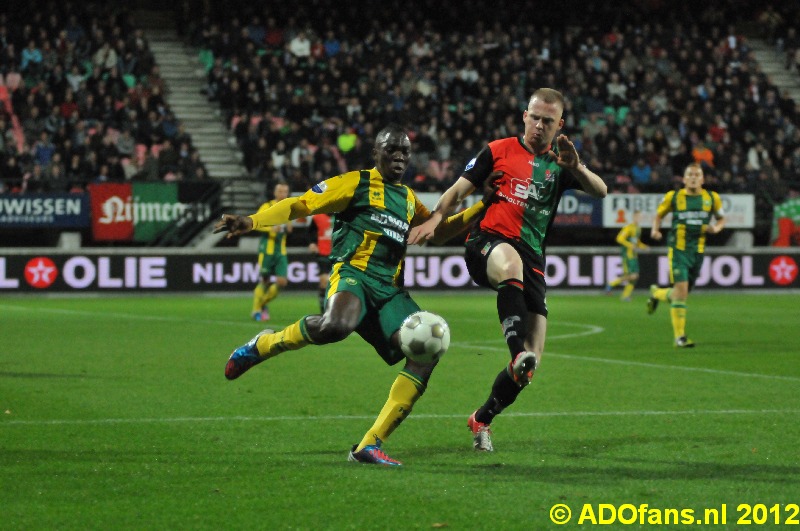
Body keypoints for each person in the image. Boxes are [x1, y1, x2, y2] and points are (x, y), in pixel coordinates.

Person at [214, 124, 487, 466]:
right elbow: (300, 205)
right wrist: (252, 221)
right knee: (335, 327)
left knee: (428, 351)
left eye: (405, 151)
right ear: (377, 153)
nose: (400, 156)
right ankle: (263, 345)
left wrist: (481, 207)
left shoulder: (407, 200)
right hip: (354, 274)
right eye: (392, 150)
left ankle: (369, 446)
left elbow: (440, 231)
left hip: (389, 290)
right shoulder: (356, 183)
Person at [408, 88, 607, 452]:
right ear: (524, 116)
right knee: (511, 276)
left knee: (531, 366)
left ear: (559, 125)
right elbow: (457, 190)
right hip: (487, 242)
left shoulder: (561, 164)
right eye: (535, 117)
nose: (539, 125)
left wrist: (576, 167)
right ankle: (516, 351)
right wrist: (436, 218)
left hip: (532, 260)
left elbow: (602, 192)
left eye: (548, 121)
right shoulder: (497, 150)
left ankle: (482, 419)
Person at [646, 163, 726, 348]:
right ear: (683, 178)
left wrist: (716, 228)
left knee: (680, 294)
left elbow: (721, 218)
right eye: (689, 174)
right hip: (678, 250)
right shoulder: (674, 197)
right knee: (681, 293)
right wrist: (655, 231)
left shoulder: (712, 198)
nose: (693, 177)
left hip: (697, 252)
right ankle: (679, 337)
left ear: (703, 179)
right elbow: (658, 216)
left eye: (697, 175)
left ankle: (657, 293)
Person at [251, 181, 293, 321]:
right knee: (265, 281)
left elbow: (289, 228)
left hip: (280, 250)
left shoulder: (288, 208)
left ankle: (259, 305)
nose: (282, 194)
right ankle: (258, 311)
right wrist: (270, 229)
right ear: (275, 193)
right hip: (267, 249)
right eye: (280, 191)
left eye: (285, 192)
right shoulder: (267, 206)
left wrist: (288, 226)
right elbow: (255, 224)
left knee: (282, 282)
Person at [605, 210, 648, 301]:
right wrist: (629, 245)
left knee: (634, 277)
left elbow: (637, 242)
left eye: (640, 217)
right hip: (628, 256)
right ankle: (611, 284)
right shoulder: (628, 228)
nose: (639, 218)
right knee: (633, 276)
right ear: (634, 217)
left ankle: (625, 296)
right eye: (637, 216)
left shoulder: (638, 229)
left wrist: (644, 247)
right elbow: (619, 238)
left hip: (634, 256)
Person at [307, 212, 333, 313]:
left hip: (338, 254)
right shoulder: (317, 217)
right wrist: (312, 243)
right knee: (324, 282)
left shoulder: (341, 216)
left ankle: (333, 307)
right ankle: (324, 311)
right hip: (323, 253)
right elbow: (309, 232)